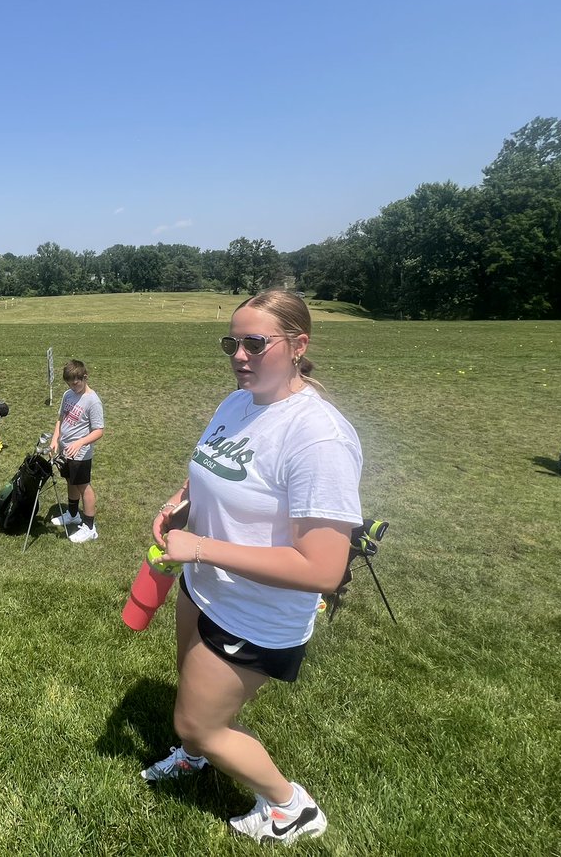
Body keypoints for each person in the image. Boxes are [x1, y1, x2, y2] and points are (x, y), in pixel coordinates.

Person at [140, 290, 362, 846]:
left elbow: (322, 570)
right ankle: (193, 760)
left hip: (256, 613)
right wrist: (181, 501)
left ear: (298, 345)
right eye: (232, 343)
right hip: (203, 585)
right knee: (190, 700)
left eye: (255, 343)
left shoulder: (318, 438)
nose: (240, 356)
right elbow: (213, 464)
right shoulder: (239, 401)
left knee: (200, 722)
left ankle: (290, 808)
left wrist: (203, 549)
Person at [49, 359, 105, 543]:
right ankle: (73, 514)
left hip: (80, 454)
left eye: (76, 382)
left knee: (84, 487)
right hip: (65, 450)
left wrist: (80, 442)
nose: (73, 386)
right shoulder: (68, 394)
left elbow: (99, 431)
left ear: (85, 377)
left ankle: (90, 527)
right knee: (70, 481)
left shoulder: (93, 401)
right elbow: (61, 418)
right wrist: (55, 439)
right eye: (69, 383)